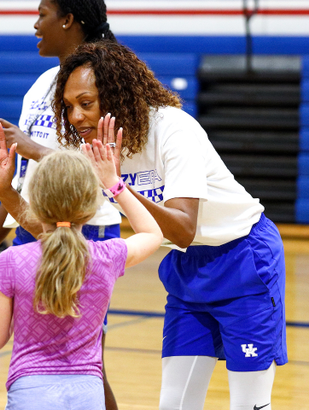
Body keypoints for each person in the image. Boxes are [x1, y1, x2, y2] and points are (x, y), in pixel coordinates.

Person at [52, 40, 287, 410]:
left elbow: (181, 228)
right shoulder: (95, 149)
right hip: (187, 267)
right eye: (69, 107)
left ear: (115, 96)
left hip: (244, 258)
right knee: (175, 404)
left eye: (86, 103)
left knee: (249, 405)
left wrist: (116, 185)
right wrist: (4, 191)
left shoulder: (173, 129)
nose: (76, 117)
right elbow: (61, 218)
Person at [0, 2, 122, 406]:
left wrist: (33, 148)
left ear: (68, 19)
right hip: (29, 226)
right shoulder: (41, 85)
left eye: (42, 13)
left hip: (87, 231)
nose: (35, 24)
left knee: (88, 364)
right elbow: (20, 181)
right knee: (35, 356)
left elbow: (99, 166)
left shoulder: (105, 81)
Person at [0, 118, 163, 409]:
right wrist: (113, 184)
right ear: (90, 209)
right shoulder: (106, 256)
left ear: (36, 202)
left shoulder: (11, 260)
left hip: (29, 392)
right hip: (88, 393)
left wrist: (4, 189)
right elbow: (153, 233)